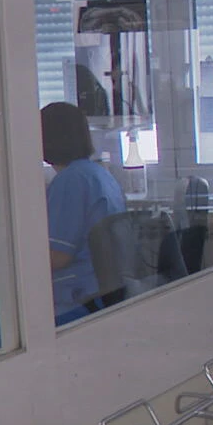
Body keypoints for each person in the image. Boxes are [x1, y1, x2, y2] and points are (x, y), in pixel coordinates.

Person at [42, 101, 126, 324]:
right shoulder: (98, 173)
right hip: (102, 291)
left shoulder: (69, 181)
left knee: (1, 333)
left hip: (76, 300)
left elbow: (58, 257)